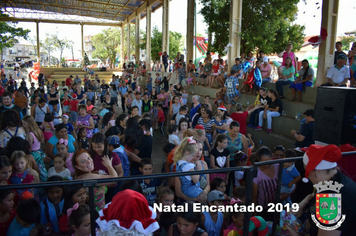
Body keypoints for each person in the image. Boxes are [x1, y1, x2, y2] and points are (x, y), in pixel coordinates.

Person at [286, 145, 356, 236]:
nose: (306, 176)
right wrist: (305, 203)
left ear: (316, 172)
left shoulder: (330, 199)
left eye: (306, 171)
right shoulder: (334, 179)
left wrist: (294, 234)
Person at [252, 147, 279, 221]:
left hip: (278, 205)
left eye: (269, 162)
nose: (267, 165)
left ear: (272, 157)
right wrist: (255, 214)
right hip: (263, 208)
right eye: (264, 162)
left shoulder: (278, 166)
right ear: (258, 159)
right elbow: (254, 196)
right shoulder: (256, 173)